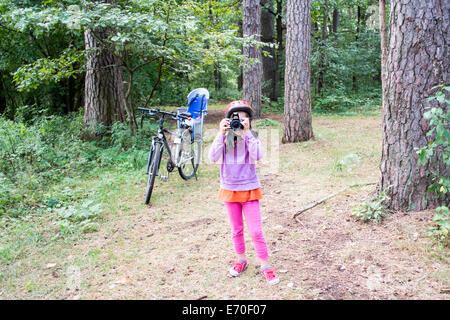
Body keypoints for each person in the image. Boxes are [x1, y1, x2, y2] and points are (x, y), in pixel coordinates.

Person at [208, 100, 280, 285]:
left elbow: (258, 156)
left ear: (249, 120)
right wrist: (220, 133)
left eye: (243, 117)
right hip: (230, 190)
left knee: (256, 231)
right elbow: (212, 157)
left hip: (249, 190)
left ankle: (265, 266)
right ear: (228, 120)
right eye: (235, 118)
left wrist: (247, 134)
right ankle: (242, 260)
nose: (239, 121)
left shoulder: (252, 136)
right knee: (236, 230)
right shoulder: (224, 138)